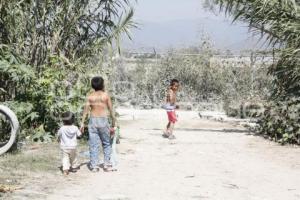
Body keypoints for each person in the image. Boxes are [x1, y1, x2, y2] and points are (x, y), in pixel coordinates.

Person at [80, 76, 116, 172]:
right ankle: (107, 164)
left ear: (92, 85)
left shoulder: (90, 96)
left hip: (93, 121)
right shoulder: (105, 95)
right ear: (102, 84)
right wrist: (113, 123)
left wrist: (82, 123)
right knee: (107, 143)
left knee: (93, 144)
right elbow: (111, 110)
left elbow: (85, 111)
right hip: (103, 120)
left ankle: (94, 166)